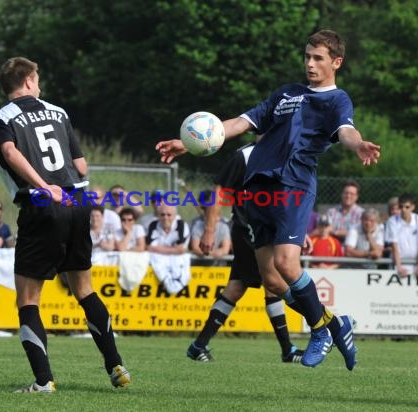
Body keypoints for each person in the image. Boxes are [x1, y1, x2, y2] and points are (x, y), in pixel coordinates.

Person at [157, 30, 381, 369]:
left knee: (288, 266)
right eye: (307, 56)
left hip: (294, 183)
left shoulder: (337, 100)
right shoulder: (286, 93)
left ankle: (319, 331)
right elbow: (238, 123)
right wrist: (187, 143)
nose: (309, 63)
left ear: (336, 62)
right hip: (258, 189)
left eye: (318, 58)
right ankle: (337, 324)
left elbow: (347, 130)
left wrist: (359, 144)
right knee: (273, 279)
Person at [0, 56, 130, 392]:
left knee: (28, 299)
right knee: (85, 289)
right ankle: (115, 365)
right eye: (37, 78)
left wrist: (41, 186)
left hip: (42, 205)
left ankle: (43, 381)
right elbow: (80, 165)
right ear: (30, 81)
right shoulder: (59, 112)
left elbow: (9, 152)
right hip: (77, 203)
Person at [188, 143, 305, 364]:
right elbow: (219, 192)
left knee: (237, 287)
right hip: (248, 229)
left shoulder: (284, 154)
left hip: (264, 229)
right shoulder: (244, 156)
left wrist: (297, 230)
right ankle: (295, 344)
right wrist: (210, 230)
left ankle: (199, 345)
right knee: (274, 284)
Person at [385, 193, 418, 278]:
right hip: (398, 264)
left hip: (415, 264)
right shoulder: (392, 221)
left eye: (407, 207)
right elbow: (394, 246)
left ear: (412, 207)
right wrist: (399, 267)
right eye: (401, 207)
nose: (403, 210)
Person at [188, 190, 231, 261]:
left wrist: (209, 253)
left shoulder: (225, 225)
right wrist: (213, 254)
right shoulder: (196, 224)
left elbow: (225, 249)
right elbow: (195, 247)